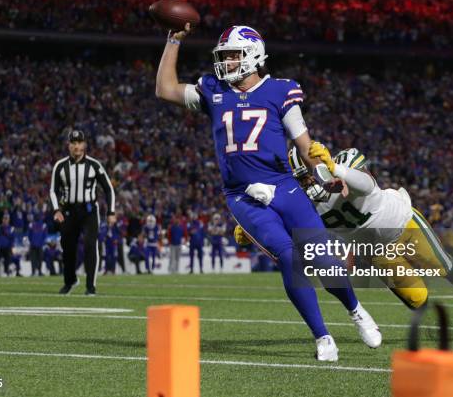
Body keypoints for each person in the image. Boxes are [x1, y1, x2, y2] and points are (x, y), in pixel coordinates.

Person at [155, 24, 380, 360]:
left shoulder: (281, 91)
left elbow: (305, 146)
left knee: (323, 259)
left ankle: (356, 310)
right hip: (242, 195)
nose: (226, 62)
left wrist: (325, 176)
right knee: (290, 258)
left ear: (253, 55)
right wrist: (173, 40)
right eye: (224, 56)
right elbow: (165, 89)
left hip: (284, 185)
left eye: (233, 55)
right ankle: (322, 337)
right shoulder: (214, 91)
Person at [268, 143, 453, 332]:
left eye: (307, 175)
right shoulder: (302, 202)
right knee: (417, 298)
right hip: (375, 251)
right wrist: (257, 226)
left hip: (403, 223)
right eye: (300, 180)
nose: (307, 183)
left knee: (443, 265)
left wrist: (337, 169)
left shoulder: (344, 164)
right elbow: (285, 223)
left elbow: (367, 184)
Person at [50, 129, 116, 296]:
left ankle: (90, 287)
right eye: (73, 143)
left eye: (79, 143)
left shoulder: (94, 165)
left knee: (90, 244)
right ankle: (70, 280)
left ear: (85, 145)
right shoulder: (60, 165)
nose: (76, 146)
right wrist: (57, 209)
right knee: (68, 247)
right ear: (68, 145)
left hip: (89, 211)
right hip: (69, 212)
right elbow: (53, 190)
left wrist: (111, 212)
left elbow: (108, 189)